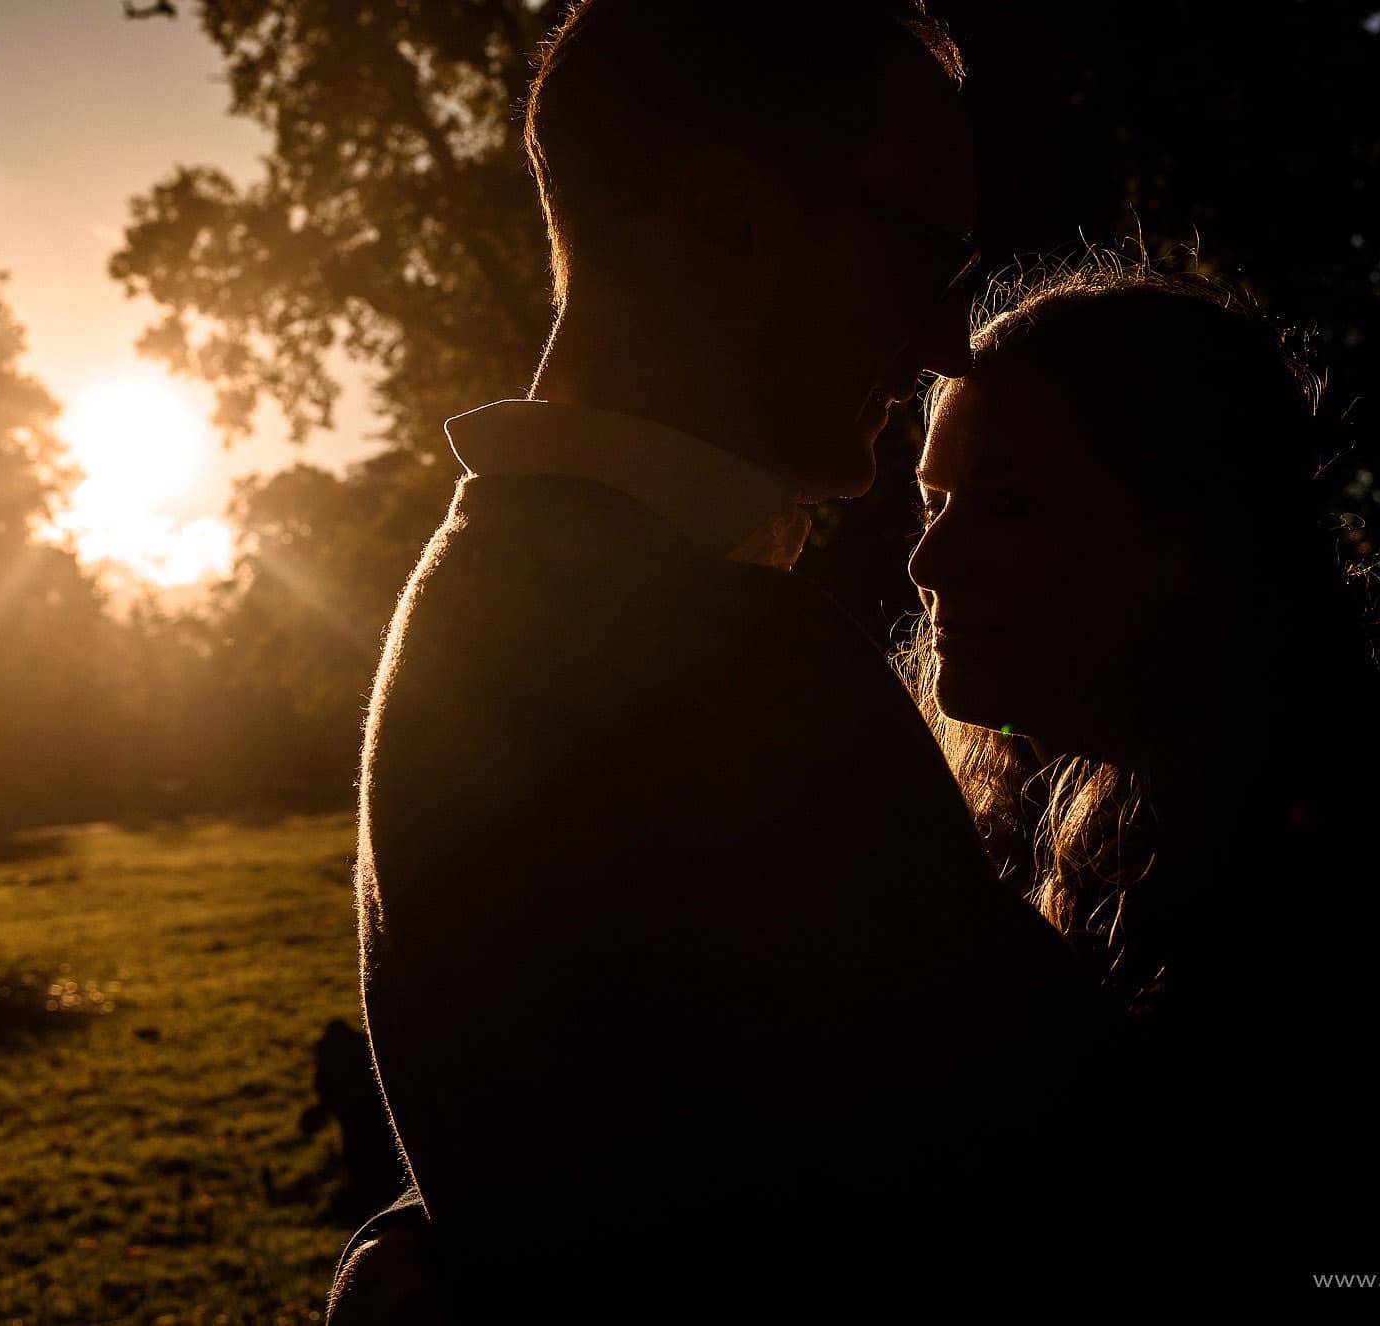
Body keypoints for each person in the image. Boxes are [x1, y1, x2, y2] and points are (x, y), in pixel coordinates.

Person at [337, 2, 1117, 1318]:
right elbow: (1110, 1209)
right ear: (726, 225)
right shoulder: (715, 661)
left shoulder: (482, 595)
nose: (943, 342)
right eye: (920, 254)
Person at [904, 258, 1380, 1307]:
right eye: (933, 498)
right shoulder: (1016, 842)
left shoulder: (1323, 919)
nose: (928, 560)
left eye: (1010, 503)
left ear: (1193, 537)